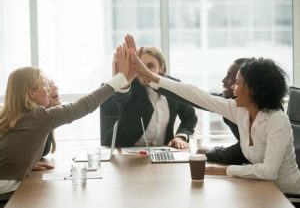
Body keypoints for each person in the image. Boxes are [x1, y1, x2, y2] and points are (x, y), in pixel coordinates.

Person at [133, 56, 300, 193]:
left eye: (238, 83)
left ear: (253, 89)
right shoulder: (240, 111)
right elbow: (197, 95)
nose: (233, 87)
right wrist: (152, 78)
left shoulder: (277, 120)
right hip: (261, 189)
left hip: (286, 196)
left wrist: (226, 170)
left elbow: (268, 172)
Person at [0, 48, 135, 201]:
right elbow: (85, 105)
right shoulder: (38, 117)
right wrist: (119, 79)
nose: (49, 89)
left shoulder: (14, 116)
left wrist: (23, 164)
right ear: (31, 93)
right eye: (45, 85)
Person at [103, 38, 197, 149]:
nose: (143, 71)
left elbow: (190, 117)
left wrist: (180, 137)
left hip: (163, 151)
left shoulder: (173, 86)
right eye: (140, 65)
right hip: (126, 153)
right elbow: (122, 96)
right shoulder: (131, 85)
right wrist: (121, 80)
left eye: (150, 66)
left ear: (161, 68)